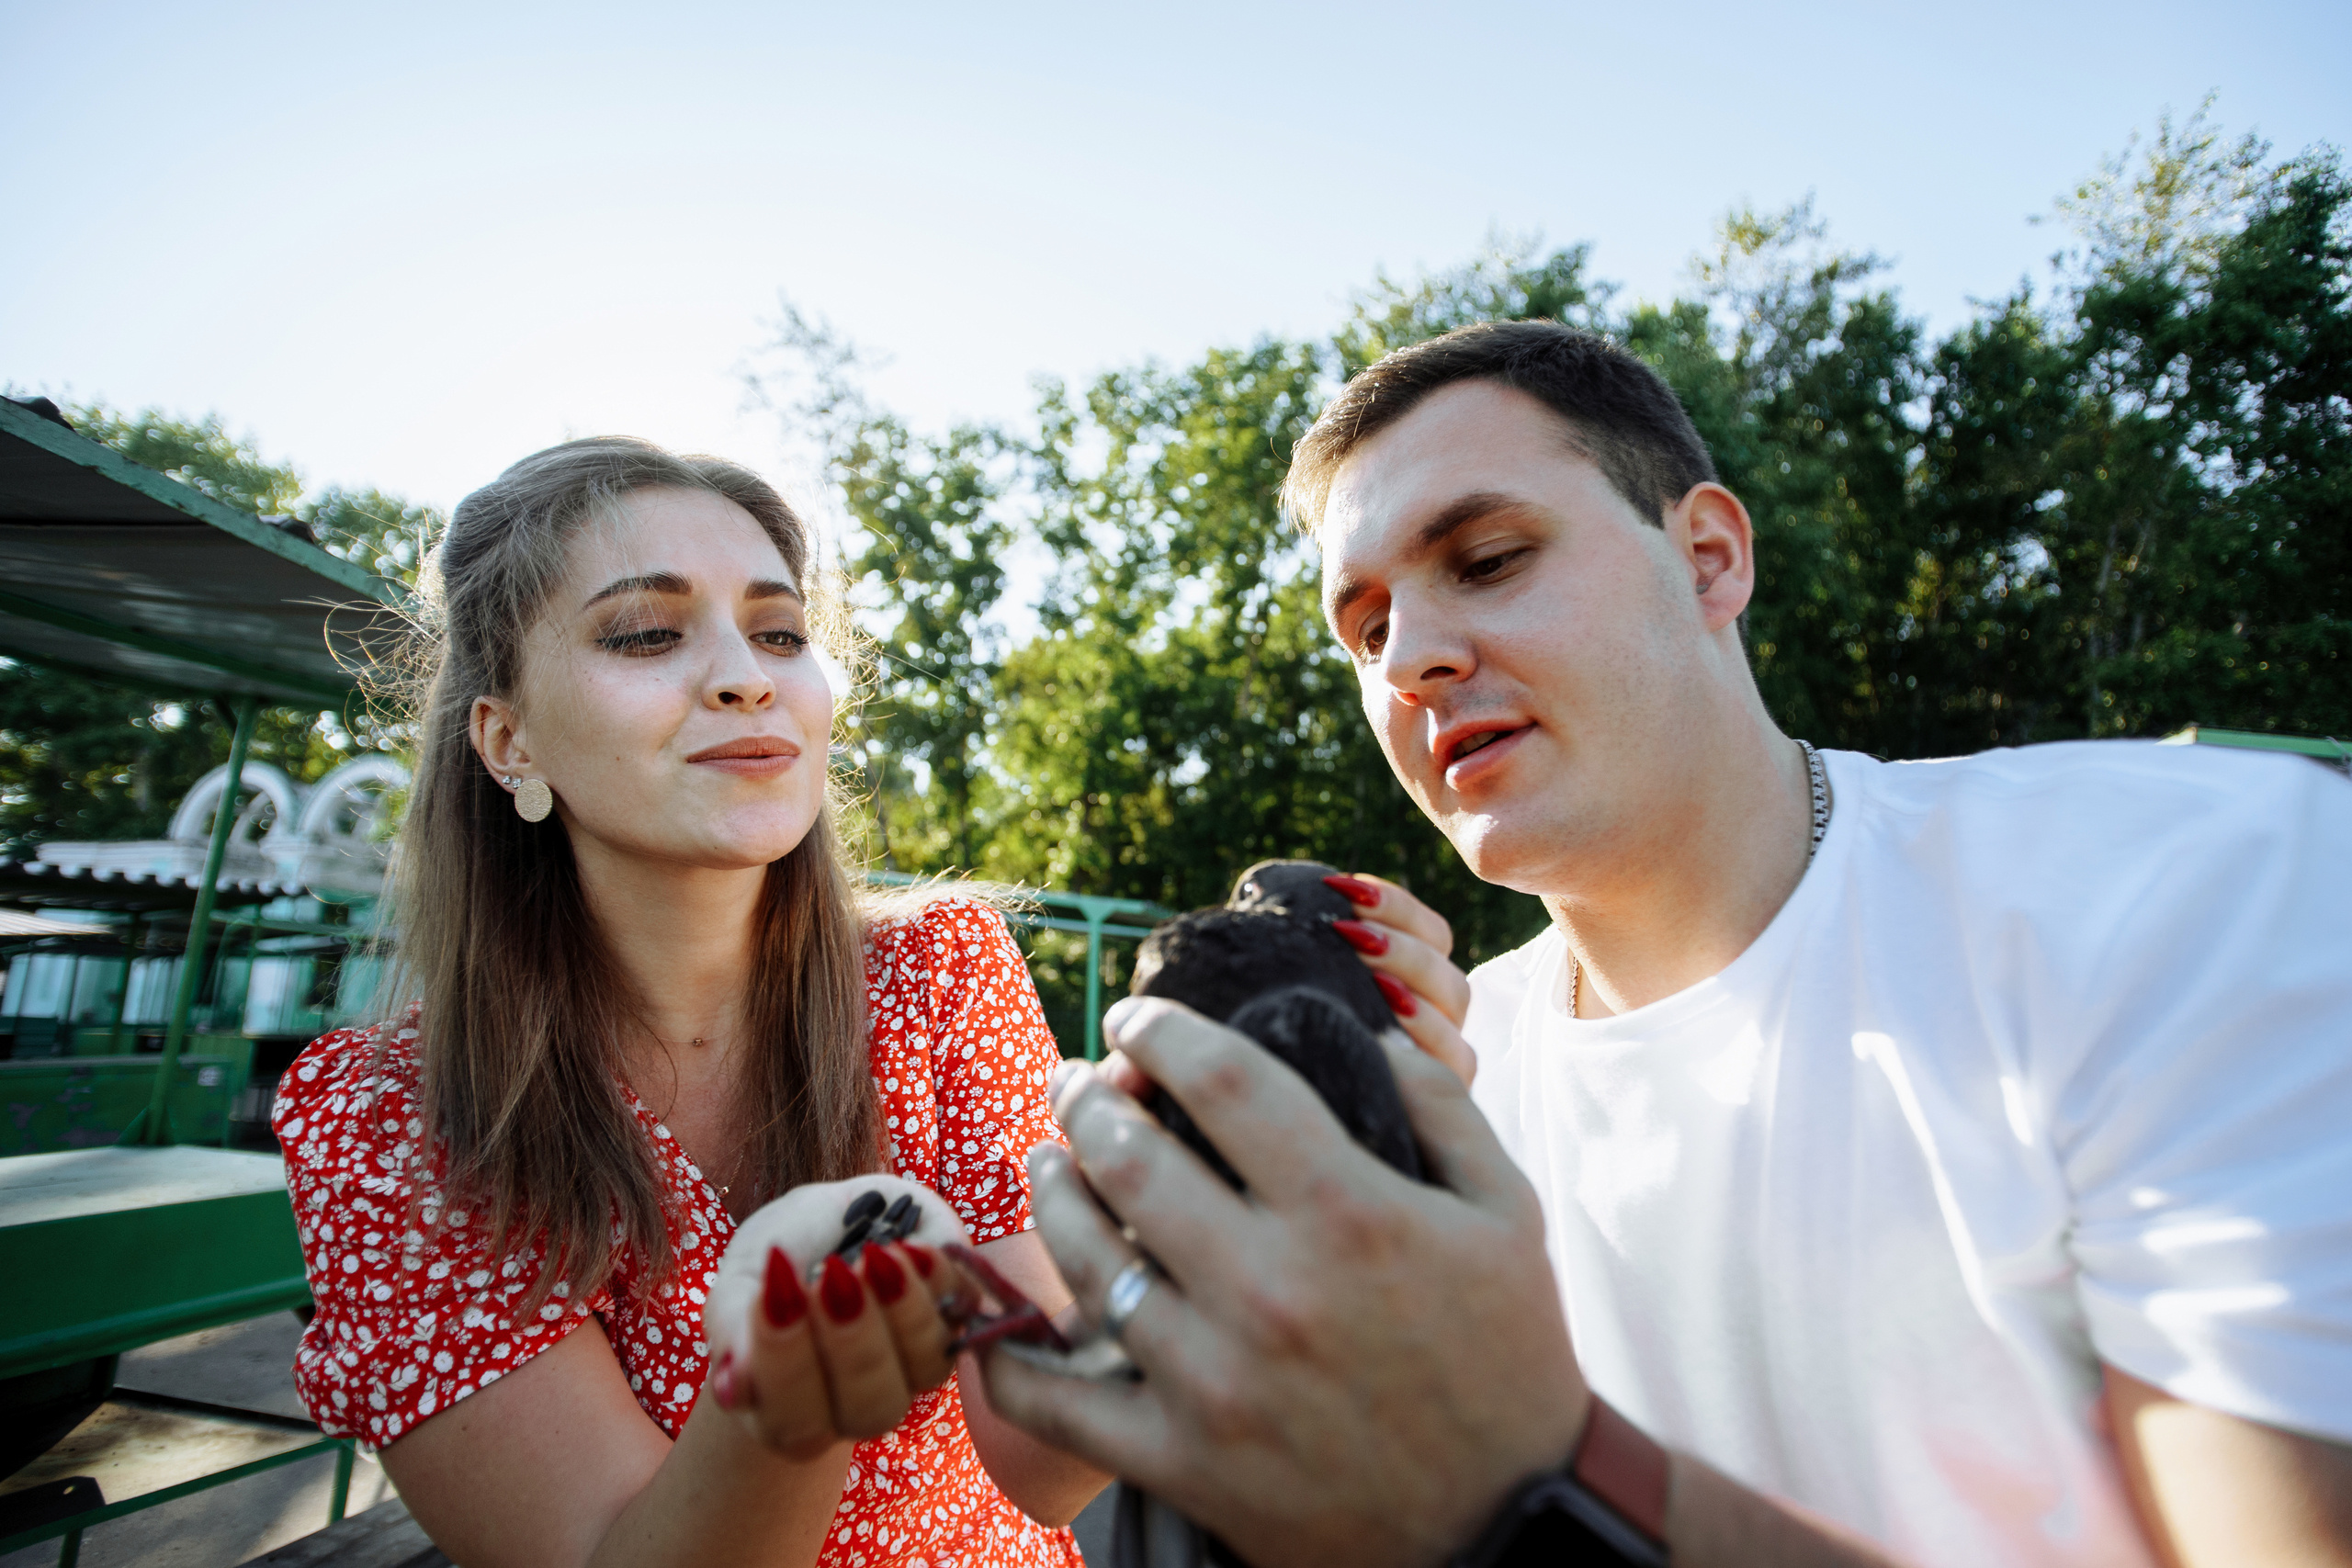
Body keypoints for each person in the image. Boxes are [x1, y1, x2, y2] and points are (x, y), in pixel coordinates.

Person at [979, 321, 2352, 1567]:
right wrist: (910, 1260)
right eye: (1365, 623)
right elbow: (1039, 1447)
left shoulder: (2179, 880)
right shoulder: (1439, 1067)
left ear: (1710, 555)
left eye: (1490, 559)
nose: (1410, 655)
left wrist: (1545, 1478)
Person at [274, 437, 1109, 1568]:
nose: (745, 675)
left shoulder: (941, 973)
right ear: (508, 741)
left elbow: (1048, 1465)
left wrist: (1166, 1239)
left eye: (779, 633)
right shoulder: (392, 1123)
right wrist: (791, 1393)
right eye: (646, 634)